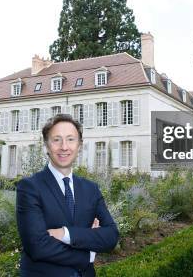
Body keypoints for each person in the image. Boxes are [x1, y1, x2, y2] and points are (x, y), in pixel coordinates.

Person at [16, 114, 119, 276]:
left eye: (71, 139)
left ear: (79, 145)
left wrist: (65, 234)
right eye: (56, 139)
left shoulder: (91, 189)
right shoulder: (30, 187)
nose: (64, 147)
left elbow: (111, 236)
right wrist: (88, 253)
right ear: (46, 145)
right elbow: (37, 246)